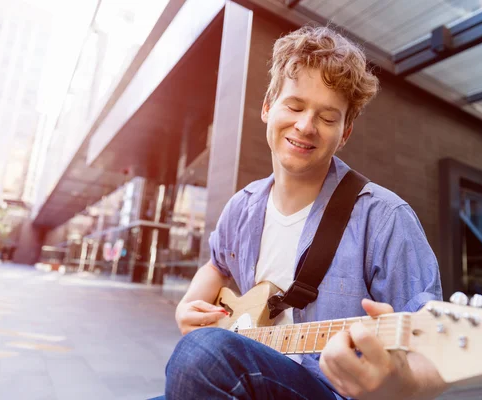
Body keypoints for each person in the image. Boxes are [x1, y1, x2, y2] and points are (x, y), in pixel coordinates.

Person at [163, 26, 446, 400]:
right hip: (250, 382)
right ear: (268, 107)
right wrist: (188, 306)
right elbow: (218, 264)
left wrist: (399, 384)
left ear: (344, 133)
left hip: (332, 393)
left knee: (203, 355)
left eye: (328, 118)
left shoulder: (386, 219)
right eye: (295, 106)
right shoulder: (242, 206)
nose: (305, 126)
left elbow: (436, 348)